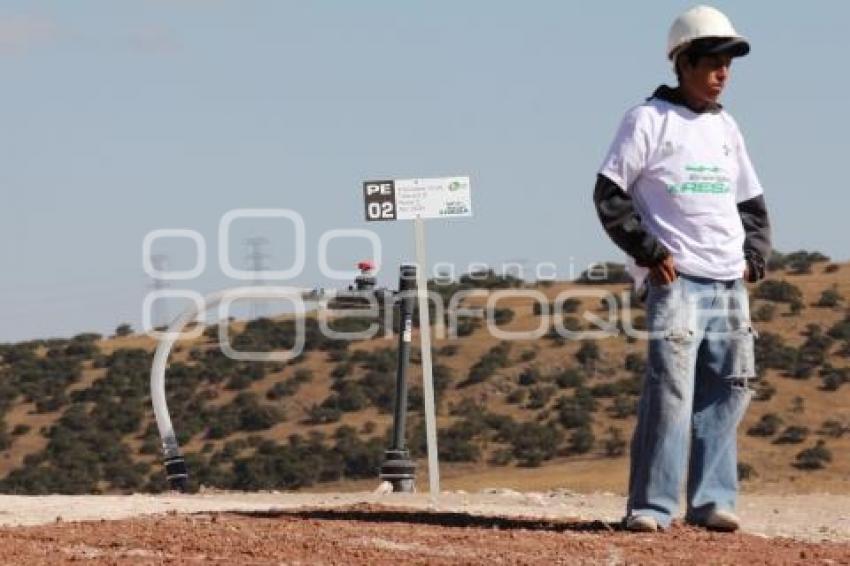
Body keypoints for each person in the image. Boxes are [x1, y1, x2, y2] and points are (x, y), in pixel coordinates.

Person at [593, 5, 772, 532]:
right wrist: (651, 253)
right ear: (684, 62)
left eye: (728, 64)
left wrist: (754, 258)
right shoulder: (647, 119)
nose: (723, 74)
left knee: (730, 387)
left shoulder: (726, 127)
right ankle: (651, 507)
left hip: (727, 281)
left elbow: (751, 202)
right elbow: (609, 194)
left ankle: (711, 501)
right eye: (713, 62)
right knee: (671, 392)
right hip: (678, 281)